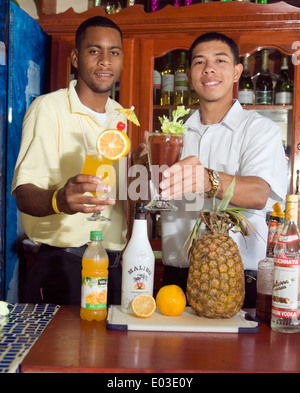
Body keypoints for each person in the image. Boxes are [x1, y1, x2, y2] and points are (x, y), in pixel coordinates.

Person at [134, 32, 287, 307]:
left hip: (236, 278)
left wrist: (208, 180)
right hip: (175, 279)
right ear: (191, 74)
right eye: (199, 62)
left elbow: (259, 193)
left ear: (237, 71)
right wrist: (140, 168)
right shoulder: (172, 132)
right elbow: (146, 200)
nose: (209, 69)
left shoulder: (260, 129)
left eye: (220, 60)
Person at [11, 16, 128, 306]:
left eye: (114, 52)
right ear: (75, 58)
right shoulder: (47, 109)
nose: (105, 61)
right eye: (94, 51)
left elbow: (124, 196)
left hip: (113, 267)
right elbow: (23, 194)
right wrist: (59, 200)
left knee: (110, 353)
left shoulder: (121, 115)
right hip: (63, 267)